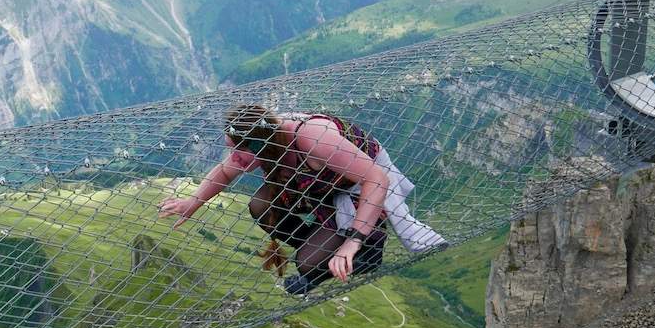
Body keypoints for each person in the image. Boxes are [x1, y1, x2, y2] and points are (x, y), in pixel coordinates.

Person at [158, 104, 446, 296]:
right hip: (325, 187)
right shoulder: (261, 141)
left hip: (363, 189)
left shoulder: (314, 138)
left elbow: (376, 180)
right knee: (260, 205)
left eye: (238, 152)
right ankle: (327, 247)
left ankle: (362, 249)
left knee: (307, 263)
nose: (233, 158)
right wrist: (192, 202)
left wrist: (352, 240)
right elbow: (224, 171)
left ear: (261, 146)